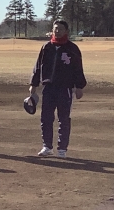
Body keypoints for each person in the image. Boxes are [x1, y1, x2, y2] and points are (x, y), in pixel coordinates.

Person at [29, 19, 87, 158]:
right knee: (46, 118)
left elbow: (78, 69)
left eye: (60, 29)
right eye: (55, 28)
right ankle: (47, 146)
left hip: (65, 89)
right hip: (48, 88)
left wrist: (79, 86)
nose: (57, 31)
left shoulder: (72, 49)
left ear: (66, 31)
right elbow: (38, 67)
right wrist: (33, 84)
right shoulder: (46, 47)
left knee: (64, 119)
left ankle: (62, 149)